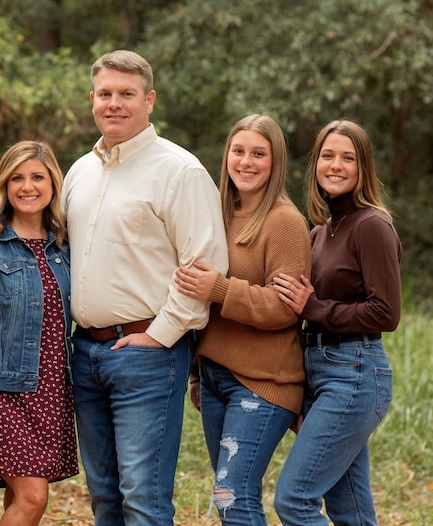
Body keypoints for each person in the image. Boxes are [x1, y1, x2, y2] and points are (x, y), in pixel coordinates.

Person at [63, 49, 229, 525]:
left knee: (143, 498)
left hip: (148, 354)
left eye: (127, 94)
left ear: (149, 99)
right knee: (105, 500)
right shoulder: (80, 171)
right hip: (86, 353)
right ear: (92, 98)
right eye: (106, 93)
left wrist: (159, 335)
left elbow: (204, 263)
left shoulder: (179, 170)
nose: (115, 103)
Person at [173, 114, 311, 525]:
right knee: (229, 495)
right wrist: (199, 372)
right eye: (238, 151)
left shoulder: (284, 222)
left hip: (264, 381)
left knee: (233, 497)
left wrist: (220, 288)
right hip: (216, 376)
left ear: (276, 162)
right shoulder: (215, 210)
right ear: (226, 156)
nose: (246, 162)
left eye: (259, 154)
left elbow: (285, 307)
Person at [272, 119, 402, 526]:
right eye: (327, 156)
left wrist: (314, 307)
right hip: (321, 374)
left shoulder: (372, 225)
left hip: (355, 374)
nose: (336, 165)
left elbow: (386, 313)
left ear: (363, 168)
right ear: (315, 165)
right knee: (351, 511)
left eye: (348, 158)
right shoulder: (320, 233)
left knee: (294, 500)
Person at [0, 140, 77, 526]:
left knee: (19, 495)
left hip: (52, 390)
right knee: (33, 497)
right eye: (17, 178)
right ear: (4, 185)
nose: (27, 186)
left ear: (53, 183)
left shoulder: (65, 247)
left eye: (37, 176)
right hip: (3, 391)